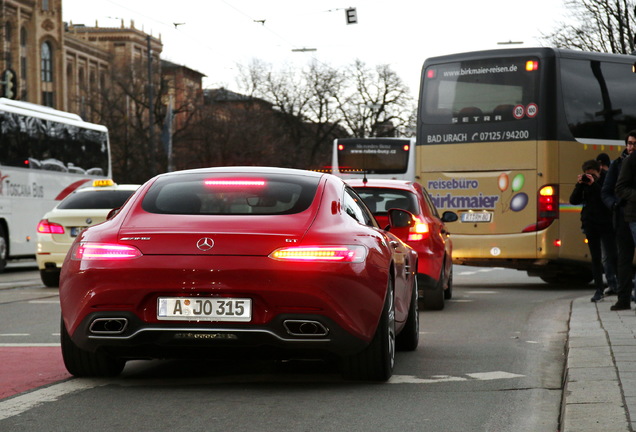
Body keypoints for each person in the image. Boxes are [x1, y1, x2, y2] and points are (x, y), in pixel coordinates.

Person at [570, 159, 618, 302]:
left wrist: (594, 184)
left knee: (612, 256)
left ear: (599, 171)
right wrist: (579, 185)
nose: (590, 177)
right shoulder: (584, 183)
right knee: (595, 258)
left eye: (593, 174)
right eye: (587, 174)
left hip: (606, 223)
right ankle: (599, 289)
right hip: (590, 224)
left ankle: (620, 286)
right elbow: (573, 200)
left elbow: (605, 197)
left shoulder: (606, 180)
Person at [602, 132, 636, 310]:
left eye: (634, 144)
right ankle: (623, 298)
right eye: (629, 143)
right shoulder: (617, 164)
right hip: (623, 217)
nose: (631, 147)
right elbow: (607, 191)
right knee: (624, 259)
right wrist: (615, 205)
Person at [597, 152, 619, 295]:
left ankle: (613, 283)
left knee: (607, 256)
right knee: (615, 253)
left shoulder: (602, 179)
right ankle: (617, 283)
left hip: (606, 222)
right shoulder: (613, 175)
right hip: (614, 220)